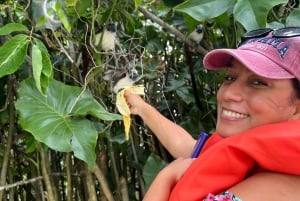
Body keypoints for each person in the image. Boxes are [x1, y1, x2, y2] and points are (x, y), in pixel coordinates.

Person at [124, 27, 300, 201]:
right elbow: (188, 147)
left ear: (297, 108)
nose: (228, 94)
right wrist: (140, 106)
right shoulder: (256, 155)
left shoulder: (271, 189)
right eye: (230, 77)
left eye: (258, 82)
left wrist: (165, 178)